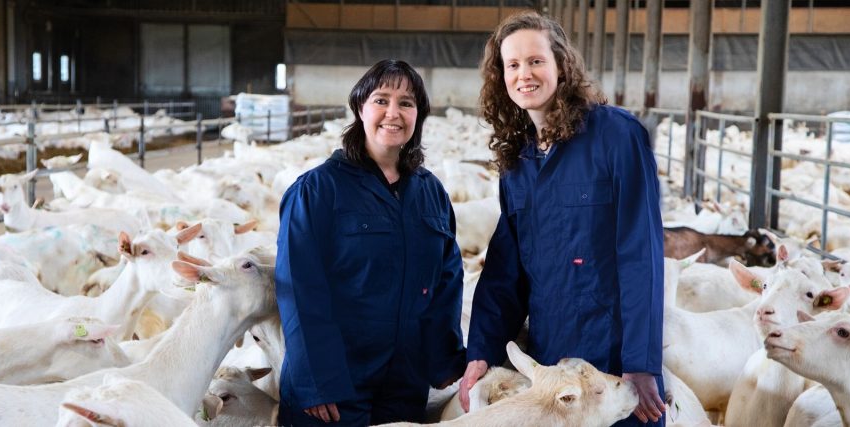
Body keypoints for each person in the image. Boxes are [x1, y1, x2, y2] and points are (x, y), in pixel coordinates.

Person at [459, 11, 666, 426]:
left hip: (614, 363)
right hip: (550, 361)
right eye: (512, 65)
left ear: (561, 65)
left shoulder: (616, 136)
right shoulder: (518, 161)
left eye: (536, 61)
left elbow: (641, 253)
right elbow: (506, 271)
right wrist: (481, 351)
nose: (524, 74)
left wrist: (641, 362)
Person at [275, 59, 467, 426]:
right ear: (360, 108)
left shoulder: (431, 193)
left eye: (407, 104)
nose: (393, 113)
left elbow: (447, 280)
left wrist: (444, 360)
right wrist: (318, 383)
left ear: (418, 116)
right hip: (335, 387)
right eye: (381, 100)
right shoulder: (317, 191)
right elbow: (299, 290)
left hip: (403, 386)